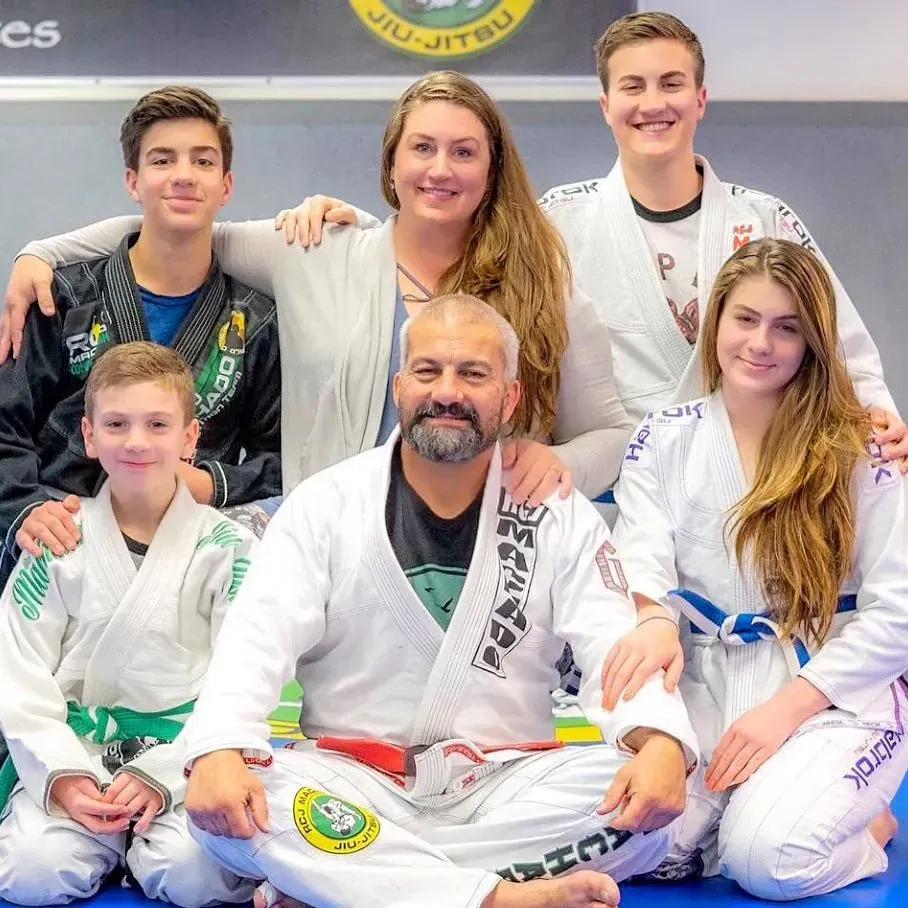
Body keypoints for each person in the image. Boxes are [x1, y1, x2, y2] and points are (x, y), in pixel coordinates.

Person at [178, 295, 698, 908]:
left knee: (641, 811)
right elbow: (254, 641)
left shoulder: (558, 514)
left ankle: (349, 880)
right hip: (353, 781)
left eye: (473, 374)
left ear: (510, 397)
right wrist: (218, 746)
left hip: (504, 784)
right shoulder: (325, 504)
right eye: (428, 371)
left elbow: (616, 646)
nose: (447, 391)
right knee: (231, 808)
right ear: (399, 387)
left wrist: (660, 740)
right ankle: (498, 898)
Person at [0, 71, 633, 518]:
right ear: (391, 164)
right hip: (333, 550)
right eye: (422, 148)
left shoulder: (542, 288)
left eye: (463, 152)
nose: (440, 169)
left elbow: (610, 433)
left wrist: (565, 465)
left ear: (491, 170)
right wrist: (43, 254)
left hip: (484, 546)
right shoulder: (315, 252)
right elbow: (181, 224)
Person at [602, 238, 908, 900]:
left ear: (813, 341)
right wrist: (654, 618)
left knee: (767, 859)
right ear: (716, 319)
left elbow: (900, 613)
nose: (761, 344)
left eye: (786, 328)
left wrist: (785, 710)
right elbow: (640, 556)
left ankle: (868, 829)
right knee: (632, 843)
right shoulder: (663, 436)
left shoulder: (860, 447)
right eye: (745, 319)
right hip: (708, 683)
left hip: (829, 693)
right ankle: (732, 820)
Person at [538, 11, 906, 466]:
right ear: (605, 106)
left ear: (700, 99)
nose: (652, 104)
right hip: (612, 490)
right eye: (633, 87)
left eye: (671, 84)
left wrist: (877, 414)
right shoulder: (557, 223)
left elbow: (843, 349)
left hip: (753, 480)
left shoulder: (765, 219)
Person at [0, 342, 256, 906]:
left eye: (157, 424)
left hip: (185, 756)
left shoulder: (230, 548)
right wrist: (64, 775)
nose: (137, 441)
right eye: (116, 424)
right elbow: (16, 669)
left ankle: (141, 852)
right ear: (89, 435)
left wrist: (166, 771)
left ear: (190, 438)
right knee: (31, 871)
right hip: (78, 752)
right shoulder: (58, 539)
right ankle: (95, 833)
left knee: (197, 875)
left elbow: (245, 677)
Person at [0, 85, 282, 589]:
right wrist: (24, 507)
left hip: (184, 572)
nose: (183, 175)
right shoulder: (61, 298)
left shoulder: (256, 322)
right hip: (58, 551)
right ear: (133, 181)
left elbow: (281, 461)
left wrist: (211, 484)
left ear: (226, 185)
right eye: (162, 159)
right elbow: (5, 423)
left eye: (203, 161)